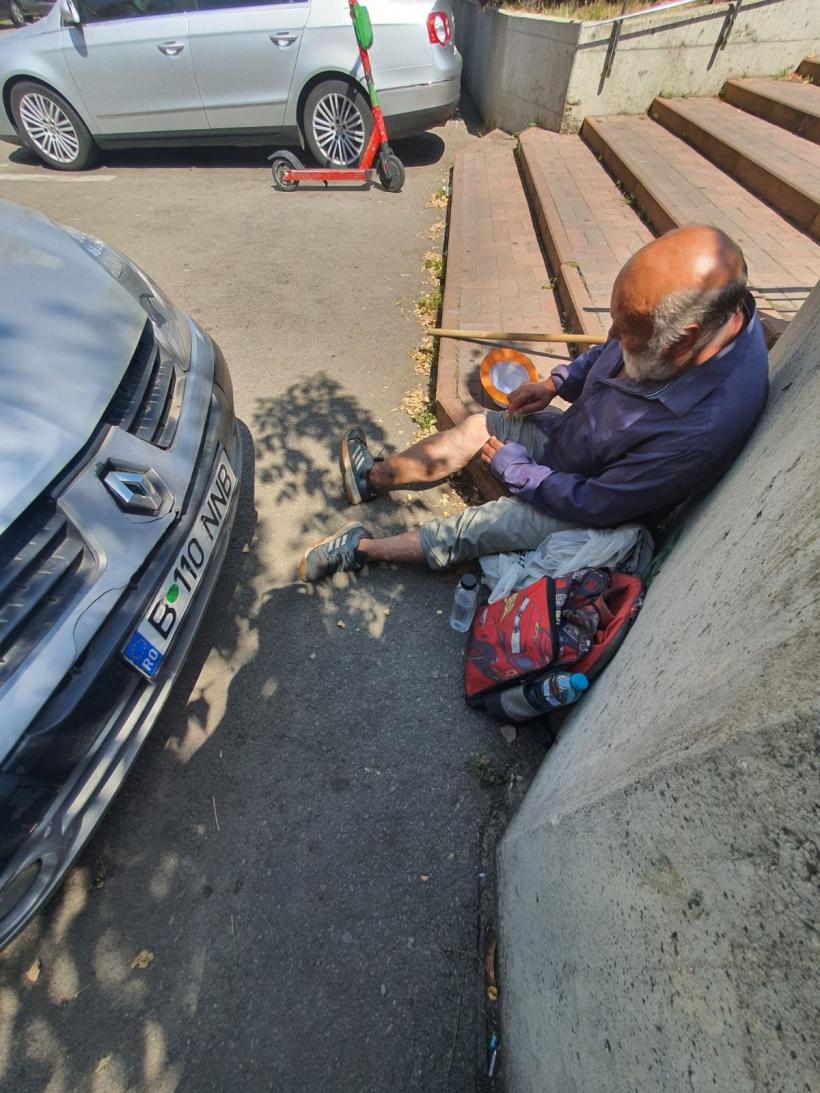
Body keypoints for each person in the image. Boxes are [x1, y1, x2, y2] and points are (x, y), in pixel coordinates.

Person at [300, 225, 769, 583]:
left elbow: (601, 503)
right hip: (572, 438)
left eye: (627, 337)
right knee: (477, 428)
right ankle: (371, 477)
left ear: (683, 342)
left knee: (481, 526)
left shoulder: (700, 430)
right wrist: (555, 381)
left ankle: (363, 549)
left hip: (582, 503)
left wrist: (519, 471)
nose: (612, 341)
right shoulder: (688, 318)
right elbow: (609, 353)